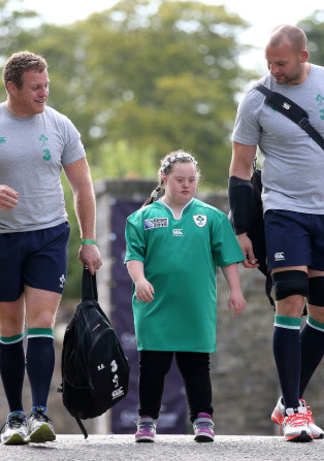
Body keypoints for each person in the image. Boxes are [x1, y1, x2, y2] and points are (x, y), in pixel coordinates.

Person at [228, 25, 324, 442]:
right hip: (282, 210)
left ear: (303, 56)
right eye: (268, 63)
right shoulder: (256, 100)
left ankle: (287, 399)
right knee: (290, 295)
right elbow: (240, 170)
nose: (273, 70)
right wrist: (241, 229)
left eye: (281, 63)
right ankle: (294, 408)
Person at [0, 51, 102, 445]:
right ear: (11, 87)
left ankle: (39, 413)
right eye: (35, 87)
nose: (43, 93)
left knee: (43, 321)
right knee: (10, 327)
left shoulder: (61, 125)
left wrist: (88, 240)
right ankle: (14, 417)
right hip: (0, 238)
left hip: (48, 234)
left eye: (46, 85)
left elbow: (82, 186)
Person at [124, 151, 247, 443]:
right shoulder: (142, 218)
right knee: (152, 366)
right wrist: (139, 280)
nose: (187, 185)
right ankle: (147, 422)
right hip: (155, 306)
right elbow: (133, 256)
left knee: (196, 365)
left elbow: (227, 257)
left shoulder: (213, 217)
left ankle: (203, 420)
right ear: (164, 179)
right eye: (180, 179)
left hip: (196, 306)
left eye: (192, 179)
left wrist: (236, 290)